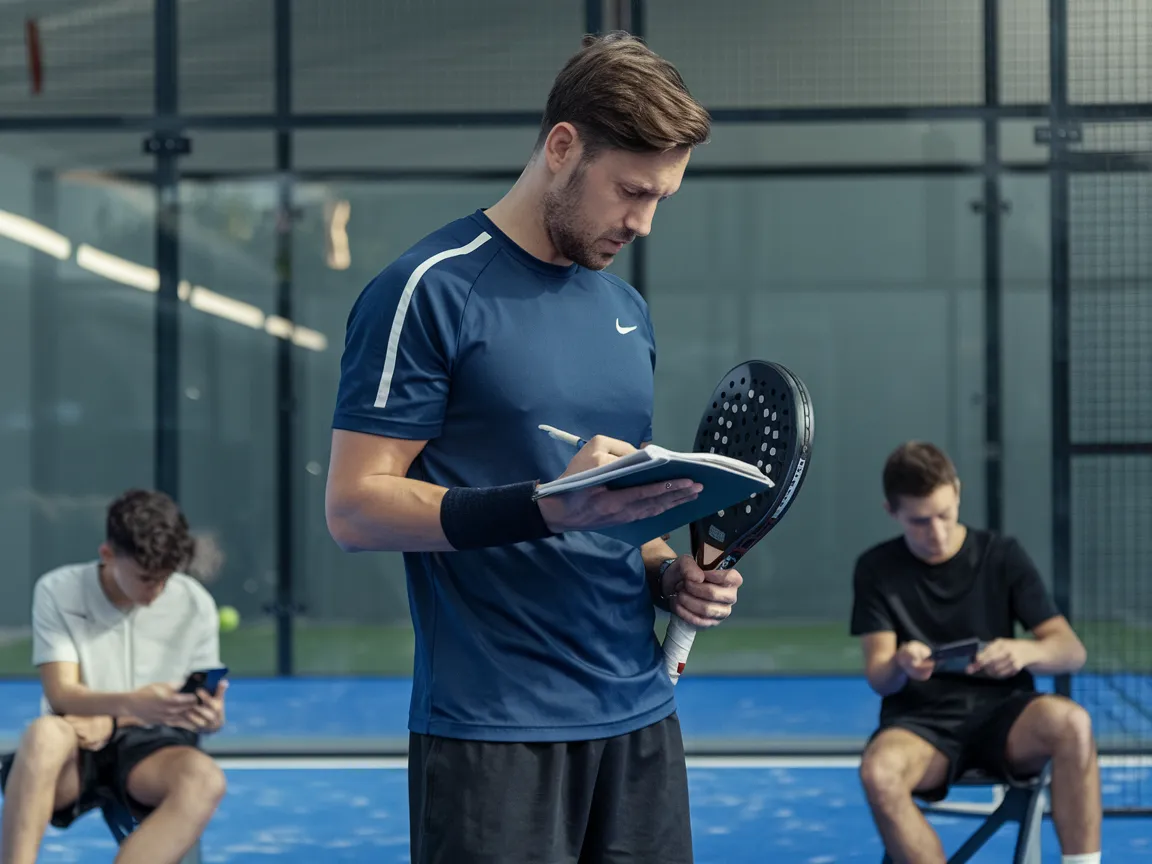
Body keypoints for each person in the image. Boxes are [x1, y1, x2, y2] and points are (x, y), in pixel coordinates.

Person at [326, 31, 742, 864]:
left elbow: (620, 507)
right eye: (631, 192)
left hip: (641, 719)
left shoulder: (625, 311)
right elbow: (355, 509)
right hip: (493, 733)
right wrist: (546, 508)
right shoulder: (427, 288)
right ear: (562, 148)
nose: (643, 222)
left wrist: (669, 575)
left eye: (661, 198)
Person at [850, 441, 1101, 864]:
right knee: (879, 773)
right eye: (920, 521)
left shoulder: (1003, 555)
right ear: (891, 511)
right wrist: (901, 663)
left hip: (1007, 715)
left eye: (945, 514)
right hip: (919, 724)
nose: (937, 533)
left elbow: (1071, 651)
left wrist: (1023, 651)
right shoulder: (875, 568)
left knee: (1073, 723)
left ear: (958, 492)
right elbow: (879, 678)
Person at [0, 489, 228, 864]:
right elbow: (61, 695)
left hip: (153, 746)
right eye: (145, 578)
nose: (156, 591)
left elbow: (196, 704)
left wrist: (211, 717)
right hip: (76, 743)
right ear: (107, 555)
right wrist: (133, 704)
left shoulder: (196, 602)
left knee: (205, 780)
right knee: (44, 736)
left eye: (165, 578)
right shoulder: (58, 590)